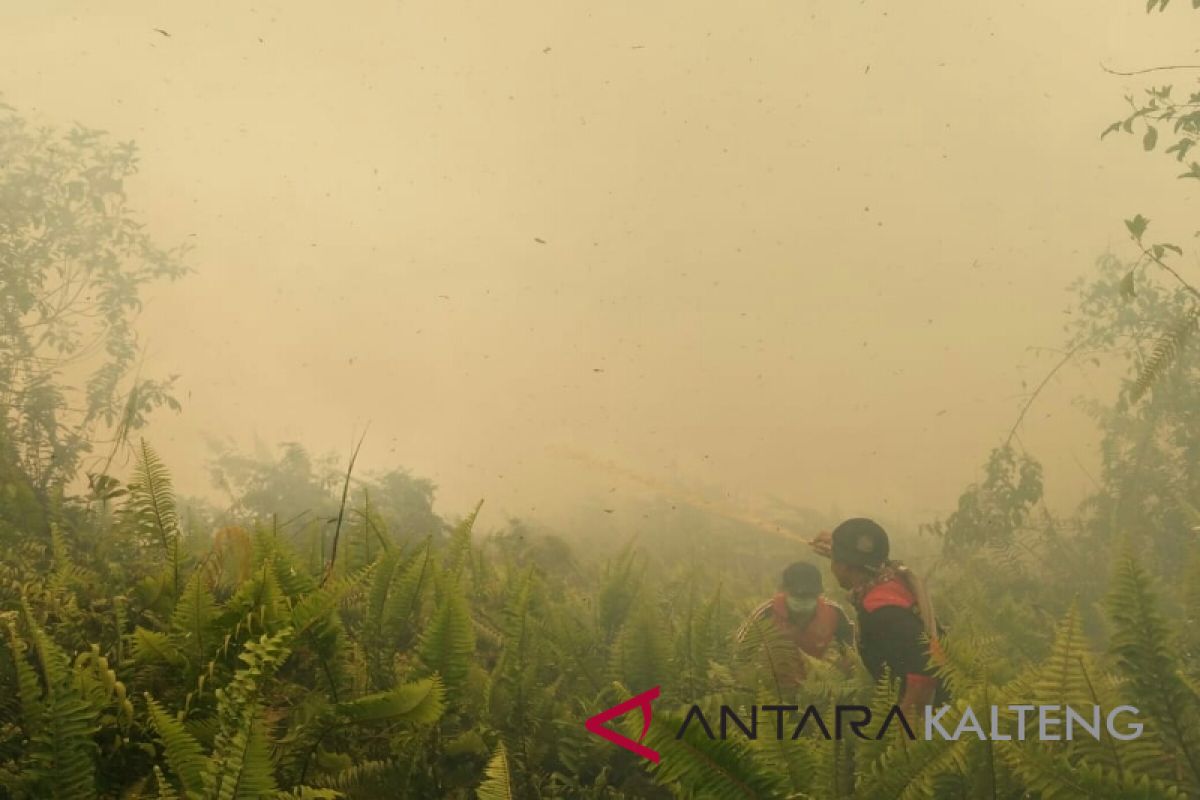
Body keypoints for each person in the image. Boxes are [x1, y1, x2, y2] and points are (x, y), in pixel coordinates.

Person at [811, 518, 945, 714]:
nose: (832, 568)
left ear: (844, 567)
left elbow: (922, 675)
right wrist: (842, 547)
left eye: (834, 561)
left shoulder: (880, 613)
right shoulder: (893, 580)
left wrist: (906, 734)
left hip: (934, 718)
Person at [738, 561, 854, 682]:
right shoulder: (766, 613)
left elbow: (852, 655)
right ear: (784, 590)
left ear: (819, 593)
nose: (803, 600)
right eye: (797, 595)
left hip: (818, 686)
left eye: (810, 595)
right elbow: (740, 652)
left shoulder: (834, 613)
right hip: (774, 688)